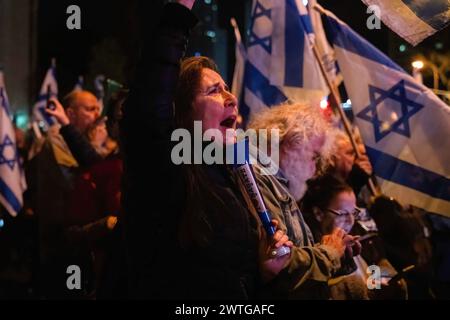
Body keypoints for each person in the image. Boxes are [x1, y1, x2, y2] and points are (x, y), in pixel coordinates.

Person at [120, 0, 293, 299]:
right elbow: (149, 109)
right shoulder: (166, 167)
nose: (232, 99)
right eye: (214, 91)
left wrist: (264, 272)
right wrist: (176, 18)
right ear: (182, 112)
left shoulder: (232, 174)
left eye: (227, 89)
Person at [248, 102, 360, 299]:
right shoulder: (260, 182)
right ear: (290, 142)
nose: (316, 169)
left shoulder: (279, 185)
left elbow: (296, 256)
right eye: (314, 157)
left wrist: (337, 251)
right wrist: (329, 253)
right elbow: (283, 264)